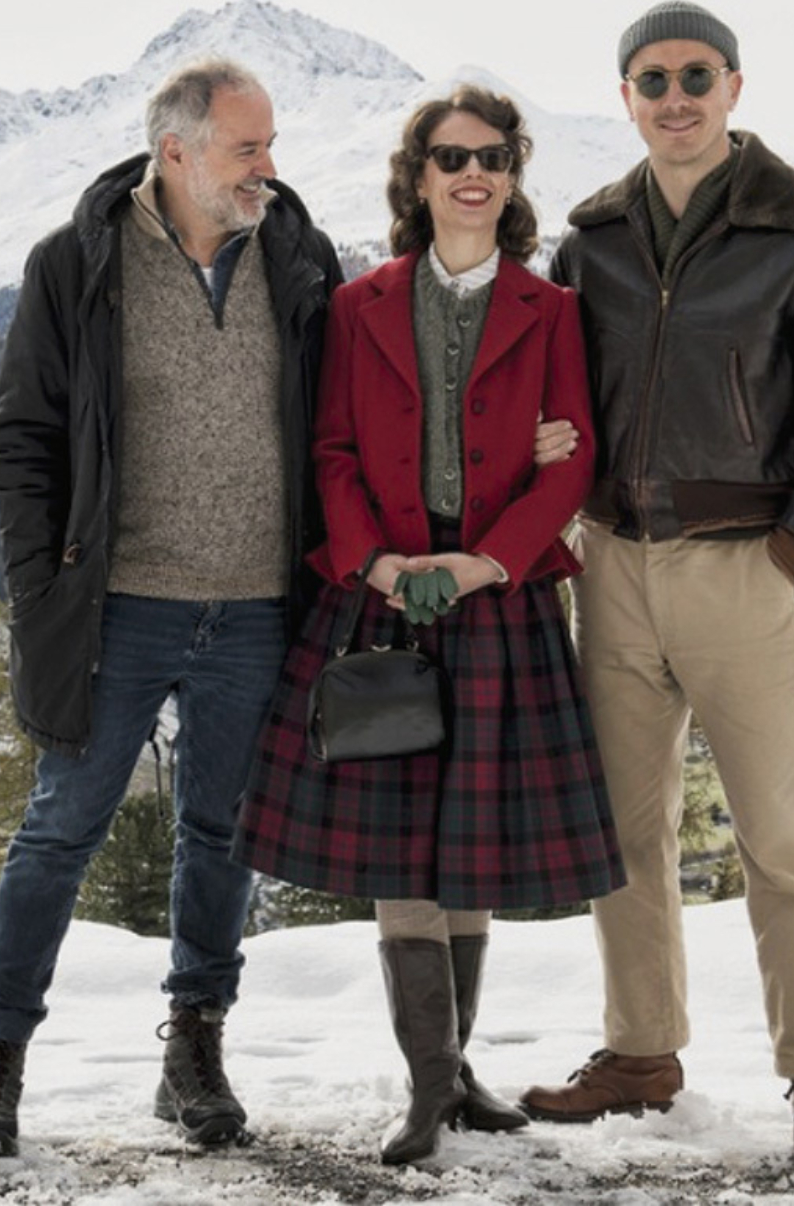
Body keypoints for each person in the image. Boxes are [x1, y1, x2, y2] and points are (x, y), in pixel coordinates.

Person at [516, 1, 794, 1170]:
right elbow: (551, 396)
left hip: (743, 569)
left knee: (780, 842)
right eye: (651, 79)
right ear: (624, 98)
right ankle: (641, 1054)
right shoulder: (591, 242)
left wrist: (791, 554)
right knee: (621, 833)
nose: (674, 97)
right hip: (611, 567)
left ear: (733, 87)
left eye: (695, 76)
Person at [0, 59, 344, 1157]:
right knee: (58, 832)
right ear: (176, 151)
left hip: (257, 609)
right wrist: (42, 588)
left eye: (269, 144)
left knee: (223, 836)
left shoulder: (299, 257)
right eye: (246, 148)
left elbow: (342, 414)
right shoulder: (76, 262)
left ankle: (194, 1051)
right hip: (117, 608)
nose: (268, 166)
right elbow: (23, 435)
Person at [233, 85, 625, 1166]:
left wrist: (487, 560)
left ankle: (454, 1076)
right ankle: (427, 1086)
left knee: (470, 840)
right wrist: (378, 561)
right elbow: (331, 453)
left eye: (493, 157)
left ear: (513, 174)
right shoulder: (358, 304)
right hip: (384, 596)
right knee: (404, 844)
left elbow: (575, 457)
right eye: (451, 157)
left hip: (498, 596)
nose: (473, 174)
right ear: (417, 175)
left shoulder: (552, 310)